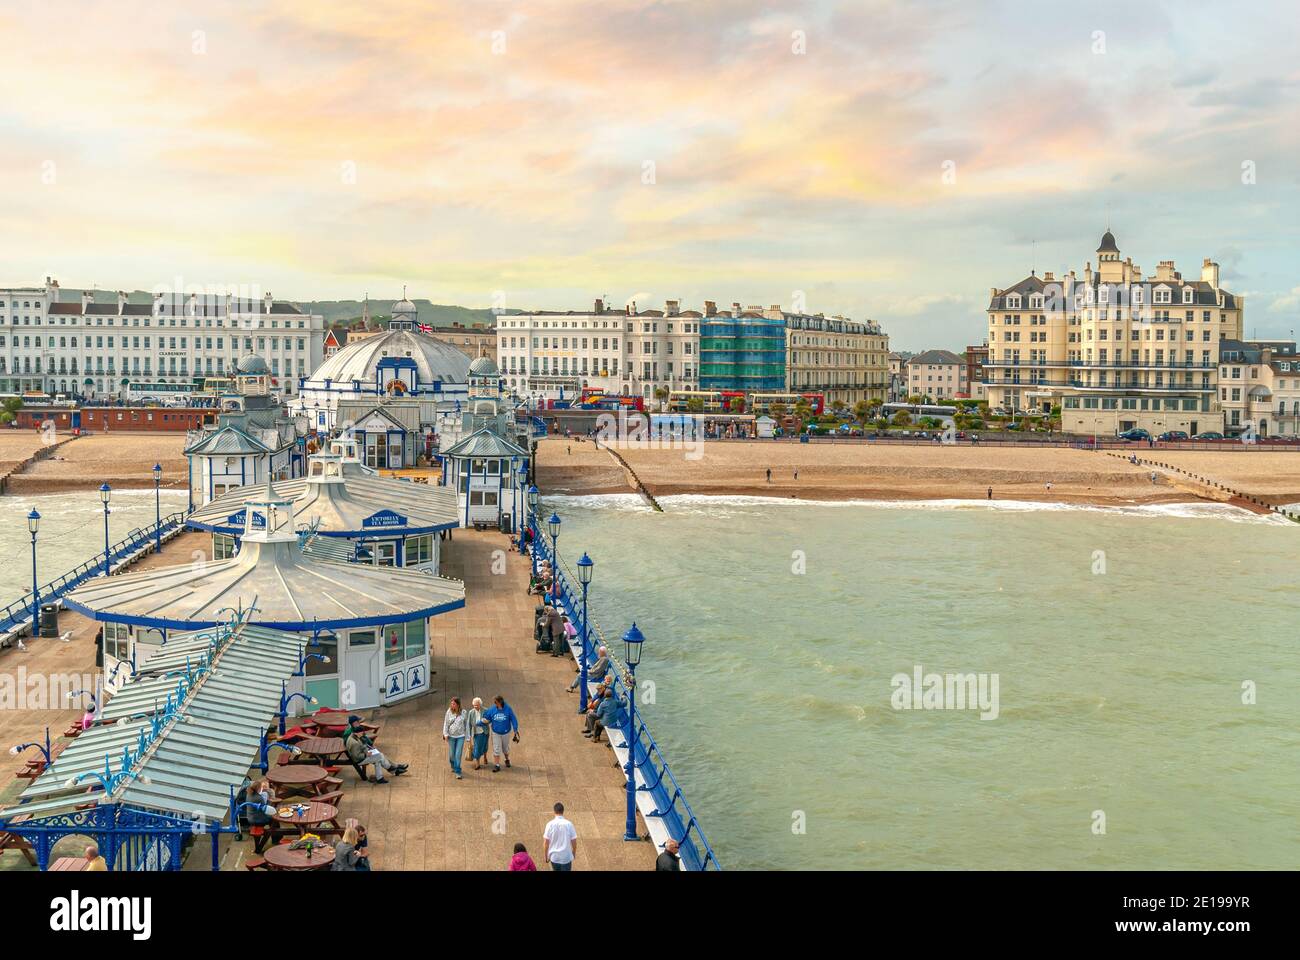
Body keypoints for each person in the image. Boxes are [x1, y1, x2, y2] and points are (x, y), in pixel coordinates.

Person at [483, 695, 519, 772]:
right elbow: (486, 715)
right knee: (496, 749)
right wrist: (481, 721)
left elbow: (513, 718)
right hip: (495, 733)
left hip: (505, 733)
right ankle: (497, 765)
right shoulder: (492, 709)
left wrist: (515, 729)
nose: (494, 704)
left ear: (499, 702)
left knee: (505, 749)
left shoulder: (508, 709)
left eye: (495, 702)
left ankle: (507, 759)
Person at [542, 802, 578, 871]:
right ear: (563, 811)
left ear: (554, 811)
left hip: (554, 857)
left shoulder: (549, 824)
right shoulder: (569, 824)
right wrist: (573, 853)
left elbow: (546, 842)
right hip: (566, 857)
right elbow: (574, 841)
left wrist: (546, 856)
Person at [442, 697, 468, 779]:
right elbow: (446, 724)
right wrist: (445, 734)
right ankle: (453, 764)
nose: (452, 705)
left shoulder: (464, 712)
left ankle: (458, 771)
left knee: (458, 754)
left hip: (461, 736)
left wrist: (468, 737)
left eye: (453, 704)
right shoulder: (449, 712)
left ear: (458, 704)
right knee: (452, 755)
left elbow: (466, 725)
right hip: (451, 736)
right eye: (451, 703)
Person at [467, 697, 489, 770]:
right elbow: (468, 724)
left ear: (480, 704)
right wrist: (469, 736)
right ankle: (477, 763)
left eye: (477, 705)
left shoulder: (486, 710)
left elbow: (489, 720)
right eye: (474, 705)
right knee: (477, 748)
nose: (475, 707)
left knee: (485, 746)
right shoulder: (471, 712)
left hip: (485, 732)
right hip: (476, 733)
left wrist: (487, 721)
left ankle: (485, 756)